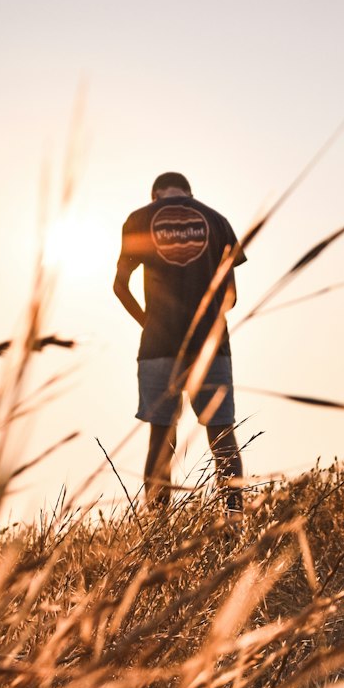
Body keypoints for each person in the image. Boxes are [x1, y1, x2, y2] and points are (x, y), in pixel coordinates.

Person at [113, 171, 246, 516]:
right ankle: (233, 522)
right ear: (189, 192)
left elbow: (120, 287)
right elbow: (230, 295)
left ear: (155, 194)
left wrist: (150, 323)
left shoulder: (140, 219)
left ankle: (157, 530)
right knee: (222, 437)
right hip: (211, 347)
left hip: (158, 347)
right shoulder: (217, 221)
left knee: (161, 440)